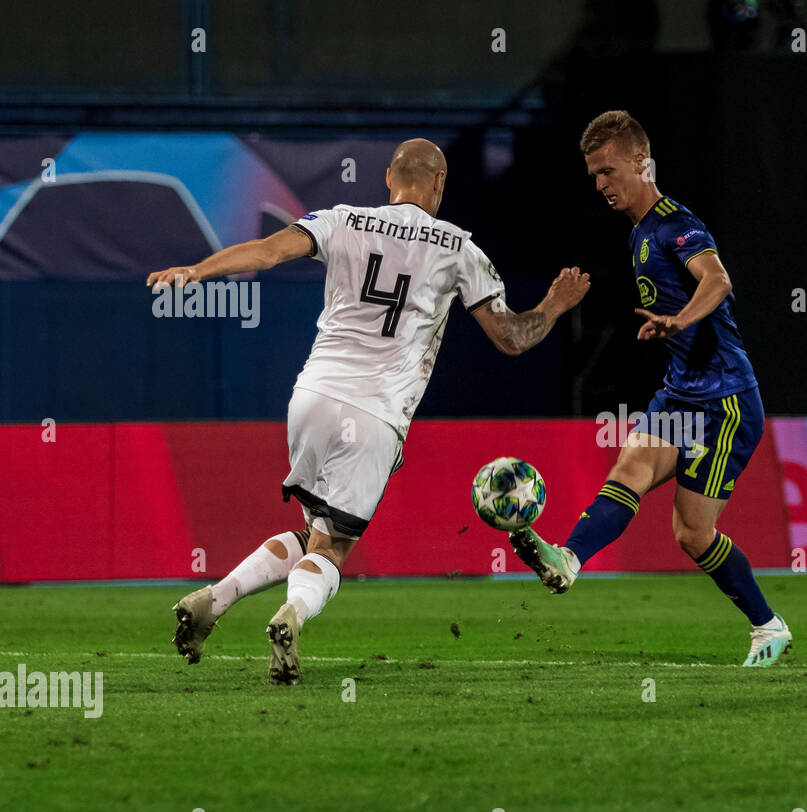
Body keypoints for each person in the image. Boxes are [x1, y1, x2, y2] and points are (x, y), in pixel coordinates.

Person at [148, 138, 590, 684]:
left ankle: (213, 600)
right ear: (439, 184)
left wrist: (195, 270)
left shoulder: (342, 219)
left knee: (311, 529)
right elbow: (511, 338)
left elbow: (264, 251)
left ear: (388, 179)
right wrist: (554, 304)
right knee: (333, 547)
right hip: (375, 411)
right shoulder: (460, 248)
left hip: (311, 395)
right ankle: (293, 613)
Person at [508, 110, 791, 667]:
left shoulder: (673, 224)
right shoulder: (638, 233)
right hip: (679, 393)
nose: (601, 184)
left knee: (691, 533)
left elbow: (718, 279)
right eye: (594, 176)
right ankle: (567, 558)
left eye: (609, 171)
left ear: (640, 161)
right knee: (627, 473)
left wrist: (681, 320)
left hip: (724, 402)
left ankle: (767, 626)